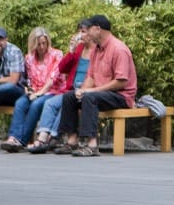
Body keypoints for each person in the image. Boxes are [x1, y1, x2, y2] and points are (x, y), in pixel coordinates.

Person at [53, 15, 136, 157]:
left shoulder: (118, 49)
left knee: (90, 97)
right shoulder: (96, 50)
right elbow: (91, 76)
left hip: (121, 96)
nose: (86, 33)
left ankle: (92, 145)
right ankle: (72, 142)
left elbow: (121, 82)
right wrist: (82, 90)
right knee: (69, 97)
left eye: (88, 29)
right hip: (101, 94)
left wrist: (91, 91)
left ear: (98, 29)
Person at [1, 27, 67, 152]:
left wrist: (39, 93)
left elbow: (53, 78)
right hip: (35, 91)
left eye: (44, 43)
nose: (42, 47)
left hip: (53, 91)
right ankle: (13, 138)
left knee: (36, 104)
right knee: (20, 103)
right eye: (39, 44)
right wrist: (29, 89)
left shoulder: (56, 54)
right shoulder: (29, 58)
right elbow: (28, 78)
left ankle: (22, 141)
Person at [28, 25, 90, 153]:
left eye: (83, 32)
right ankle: (42, 138)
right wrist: (71, 51)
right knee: (50, 103)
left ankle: (53, 138)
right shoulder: (78, 50)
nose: (80, 34)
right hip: (71, 90)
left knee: (66, 102)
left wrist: (84, 89)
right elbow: (62, 68)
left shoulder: (96, 51)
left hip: (86, 91)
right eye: (79, 31)